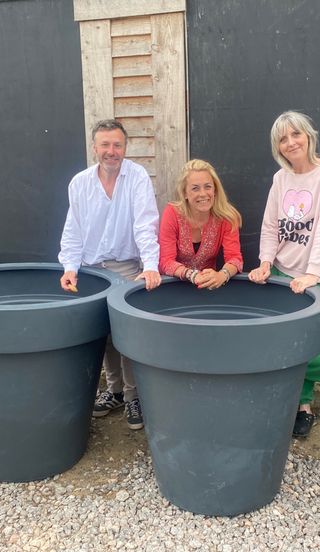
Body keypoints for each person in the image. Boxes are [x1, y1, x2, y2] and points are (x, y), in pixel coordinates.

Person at [248, 110, 320, 438]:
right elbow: (271, 224)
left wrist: (312, 274)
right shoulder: (281, 178)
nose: (290, 142)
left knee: (302, 345)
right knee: (283, 342)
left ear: (309, 135)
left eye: (296, 134)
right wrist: (266, 262)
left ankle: (304, 405)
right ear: (277, 147)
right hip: (283, 271)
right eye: (283, 138)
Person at [58, 119, 161, 430]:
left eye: (117, 145)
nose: (111, 151)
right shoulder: (79, 183)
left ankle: (133, 396)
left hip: (127, 266)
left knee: (127, 332)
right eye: (105, 144)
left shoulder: (137, 177)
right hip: (92, 269)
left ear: (125, 147)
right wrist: (70, 267)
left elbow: (146, 223)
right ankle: (113, 390)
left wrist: (151, 265)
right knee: (103, 334)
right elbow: (73, 230)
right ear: (95, 148)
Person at [158, 159, 243, 288]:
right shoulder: (172, 213)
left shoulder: (227, 217)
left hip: (208, 287)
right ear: (185, 193)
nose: (203, 194)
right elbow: (165, 261)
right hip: (173, 286)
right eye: (195, 188)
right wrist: (191, 275)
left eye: (208, 186)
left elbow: (235, 258)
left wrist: (222, 275)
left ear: (214, 189)